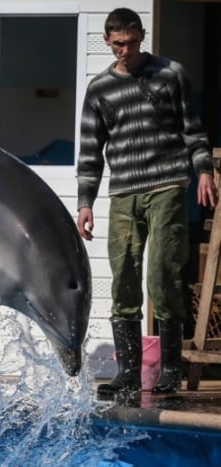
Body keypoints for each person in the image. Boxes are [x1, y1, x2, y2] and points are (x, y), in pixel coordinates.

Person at [77, 8, 218, 397]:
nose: (125, 50)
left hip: (167, 185)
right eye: (118, 44)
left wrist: (204, 170)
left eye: (132, 42)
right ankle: (128, 372)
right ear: (107, 41)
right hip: (123, 192)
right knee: (123, 278)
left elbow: (193, 129)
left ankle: (171, 367)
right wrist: (85, 202)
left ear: (142, 36)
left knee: (162, 275)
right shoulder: (99, 89)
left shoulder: (170, 74)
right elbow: (91, 150)